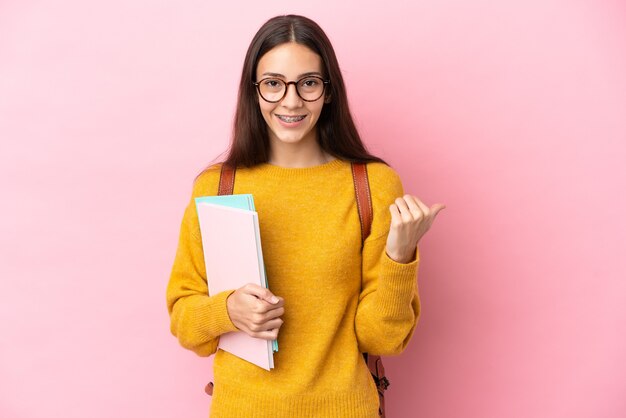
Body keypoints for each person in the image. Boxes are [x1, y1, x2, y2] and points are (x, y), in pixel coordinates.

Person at [166, 14, 444, 418]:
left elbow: (382, 339)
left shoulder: (372, 186)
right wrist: (226, 311)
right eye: (273, 83)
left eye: (309, 83)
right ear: (254, 91)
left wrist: (400, 256)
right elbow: (185, 323)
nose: (291, 101)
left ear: (328, 91)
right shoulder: (216, 186)